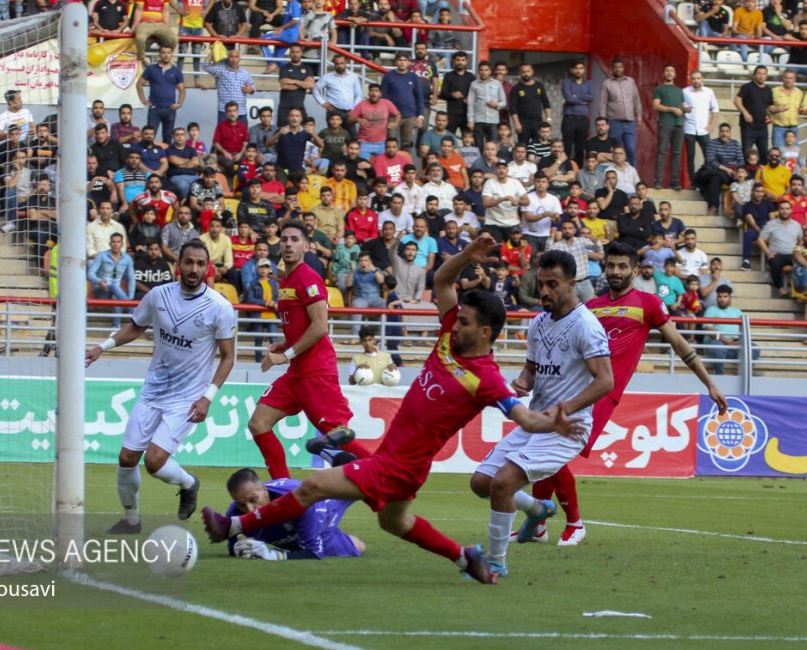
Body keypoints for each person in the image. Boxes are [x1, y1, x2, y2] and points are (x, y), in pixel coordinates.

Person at [202, 233, 589, 584]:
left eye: (466, 323)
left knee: (313, 487)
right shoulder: (450, 334)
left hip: (399, 466)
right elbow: (442, 281)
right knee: (395, 522)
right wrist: (467, 255)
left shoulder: (485, 378)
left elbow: (523, 417)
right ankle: (463, 556)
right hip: (400, 460)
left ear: (485, 332)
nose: (455, 325)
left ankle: (231, 525)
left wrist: (553, 422)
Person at [519, 241, 728, 546]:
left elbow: (680, 345)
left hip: (603, 391)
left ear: (634, 269)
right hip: (570, 388)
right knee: (547, 451)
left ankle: (574, 523)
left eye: (622, 266)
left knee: (552, 451)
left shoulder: (648, 304)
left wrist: (709, 383)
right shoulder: (590, 307)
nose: (615, 272)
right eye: (611, 266)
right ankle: (537, 526)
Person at [468, 249, 613, 573]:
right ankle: (536, 510)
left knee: (503, 483)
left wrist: (565, 410)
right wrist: (520, 383)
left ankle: (494, 564)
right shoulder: (538, 324)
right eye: (541, 283)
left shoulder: (586, 326)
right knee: (481, 483)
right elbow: (531, 372)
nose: (544, 291)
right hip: (537, 422)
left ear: (571, 284)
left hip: (568, 427)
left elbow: (606, 381)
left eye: (552, 284)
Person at [86, 239, 235, 533]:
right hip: (153, 391)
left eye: (200, 264)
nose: (194, 269)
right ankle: (131, 521)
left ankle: (189, 483)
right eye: (189, 262)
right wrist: (102, 347)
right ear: (178, 264)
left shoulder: (220, 307)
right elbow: (136, 327)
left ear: (208, 268)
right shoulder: (158, 296)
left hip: (187, 398)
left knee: (154, 462)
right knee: (127, 458)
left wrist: (208, 397)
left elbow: (228, 357)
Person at [245, 220, 375, 481]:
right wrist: (285, 344)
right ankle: (281, 488)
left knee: (338, 436)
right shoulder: (286, 280)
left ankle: (385, 472)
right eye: (284, 239)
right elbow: (301, 326)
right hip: (297, 374)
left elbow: (319, 327)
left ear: (306, 245)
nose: (288, 244)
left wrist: (285, 355)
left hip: (316, 372)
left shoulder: (309, 278)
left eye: (294, 239)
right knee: (258, 423)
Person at [224, 468, 365, 560]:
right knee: (359, 547)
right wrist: (240, 546)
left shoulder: (298, 502)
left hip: (323, 508)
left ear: (264, 489)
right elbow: (234, 547)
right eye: (242, 504)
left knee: (365, 484)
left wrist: (273, 555)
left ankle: (337, 456)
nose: (249, 510)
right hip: (300, 533)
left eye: (253, 500)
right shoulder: (235, 515)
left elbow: (315, 553)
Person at [137, 45, 186, 142]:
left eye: (168, 53)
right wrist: (143, 100)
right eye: (163, 53)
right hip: (155, 108)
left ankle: (166, 157)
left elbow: (182, 90)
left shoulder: (176, 71)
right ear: (159, 54)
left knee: (168, 137)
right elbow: (139, 84)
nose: (166, 55)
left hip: (170, 109)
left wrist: (179, 104)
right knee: (149, 136)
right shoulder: (151, 69)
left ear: (171, 54)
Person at [599, 58, 643, 166]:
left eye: (620, 67)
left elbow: (636, 100)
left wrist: (639, 118)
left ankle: (632, 175)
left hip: (629, 122)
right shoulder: (607, 83)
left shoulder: (631, 81)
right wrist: (603, 121)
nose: (618, 69)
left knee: (631, 149)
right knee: (615, 151)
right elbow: (603, 103)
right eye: (615, 67)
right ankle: (616, 174)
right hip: (614, 122)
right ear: (612, 69)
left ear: (623, 68)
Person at [652, 64, 685, 190]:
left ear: (675, 74)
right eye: (667, 70)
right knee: (662, 152)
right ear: (663, 74)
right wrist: (672, 109)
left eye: (672, 70)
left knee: (677, 153)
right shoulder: (659, 89)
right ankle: (658, 181)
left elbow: (681, 106)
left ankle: (674, 181)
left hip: (679, 124)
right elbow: (656, 106)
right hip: (665, 123)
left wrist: (684, 109)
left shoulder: (679, 90)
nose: (670, 73)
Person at [203, 48, 258, 124]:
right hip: (224, 112)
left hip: (241, 112)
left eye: (236, 57)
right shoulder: (221, 70)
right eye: (231, 56)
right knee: (223, 135)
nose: (233, 59)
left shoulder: (245, 73)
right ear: (228, 58)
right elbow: (206, 66)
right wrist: (213, 51)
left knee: (242, 135)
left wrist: (251, 89)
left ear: (239, 59)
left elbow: (254, 87)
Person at [734, 66, 774, 162]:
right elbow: (737, 100)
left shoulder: (768, 90)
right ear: (754, 75)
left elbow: (770, 107)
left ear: (766, 76)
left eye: (763, 74)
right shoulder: (747, 87)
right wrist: (745, 113)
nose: (761, 76)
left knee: (764, 154)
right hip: (748, 127)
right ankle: (745, 175)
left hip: (762, 127)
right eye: (759, 73)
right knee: (746, 153)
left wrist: (779, 109)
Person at [561, 59, 594, 165]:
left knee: (580, 149)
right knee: (567, 148)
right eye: (576, 68)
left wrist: (576, 96)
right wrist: (583, 100)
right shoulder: (566, 82)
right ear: (572, 70)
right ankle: (566, 171)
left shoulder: (588, 83)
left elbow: (591, 97)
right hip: (570, 120)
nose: (578, 71)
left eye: (581, 68)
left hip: (583, 120)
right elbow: (569, 98)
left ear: (584, 70)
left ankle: (577, 174)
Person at [128, 0, 180, 67]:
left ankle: (165, 58)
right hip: (144, 23)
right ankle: (142, 58)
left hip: (160, 24)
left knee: (174, 39)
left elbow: (166, 10)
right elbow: (139, 10)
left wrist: (167, 27)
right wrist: (133, 28)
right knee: (140, 38)